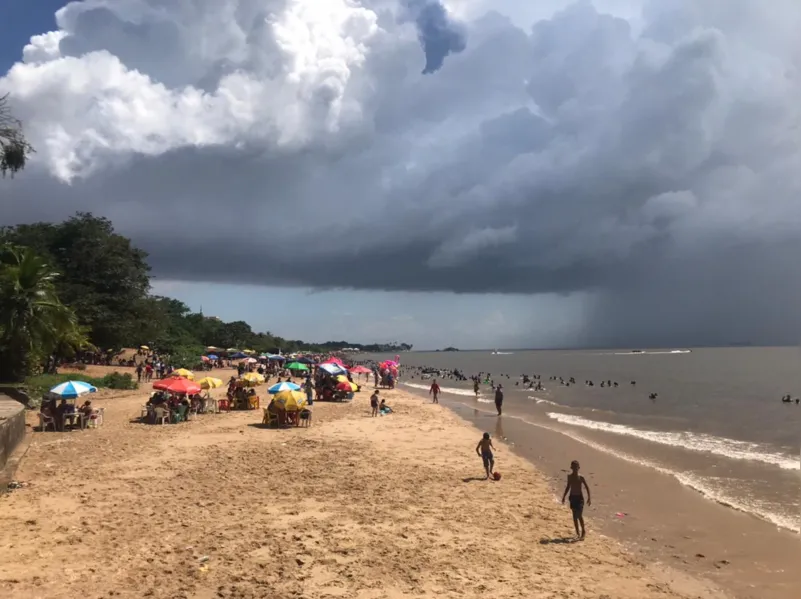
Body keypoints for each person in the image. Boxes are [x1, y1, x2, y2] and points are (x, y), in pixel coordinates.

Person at [561, 460, 591, 539]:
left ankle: (583, 531)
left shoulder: (581, 477)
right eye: (573, 467)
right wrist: (564, 496)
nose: (575, 469)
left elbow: (587, 487)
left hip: (580, 498)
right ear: (571, 468)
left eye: (576, 467)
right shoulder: (569, 477)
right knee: (574, 516)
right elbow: (568, 487)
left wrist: (589, 498)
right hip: (572, 497)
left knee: (579, 515)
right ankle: (577, 532)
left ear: (579, 468)